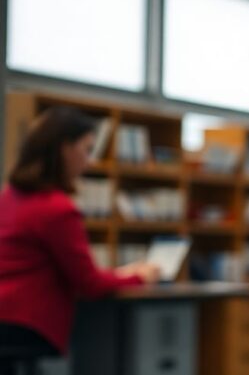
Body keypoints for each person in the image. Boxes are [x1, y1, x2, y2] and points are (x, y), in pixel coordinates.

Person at [0, 107, 160, 355]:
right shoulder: (57, 209)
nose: (89, 161)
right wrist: (140, 277)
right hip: (28, 324)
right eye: (87, 150)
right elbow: (89, 284)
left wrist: (119, 274)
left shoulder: (7, 197)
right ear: (65, 149)